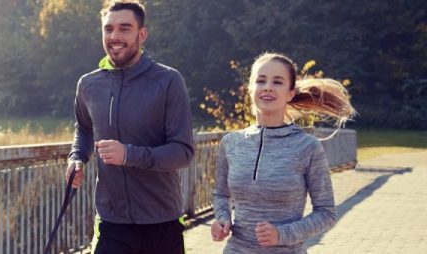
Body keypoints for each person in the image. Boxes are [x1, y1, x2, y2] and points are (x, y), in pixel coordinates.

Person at [66, 1, 196, 253]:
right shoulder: (88, 84)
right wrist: (77, 157)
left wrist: (128, 155)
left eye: (125, 28)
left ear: (142, 34)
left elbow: (183, 152)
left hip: (161, 221)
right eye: (108, 29)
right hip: (111, 221)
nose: (114, 37)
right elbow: (84, 128)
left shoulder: (168, 80)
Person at [210, 53, 352, 253]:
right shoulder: (231, 143)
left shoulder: (307, 147)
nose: (267, 86)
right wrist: (222, 219)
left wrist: (281, 234)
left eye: (277, 82)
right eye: (260, 80)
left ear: (290, 93)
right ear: (250, 88)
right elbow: (221, 194)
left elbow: (326, 214)